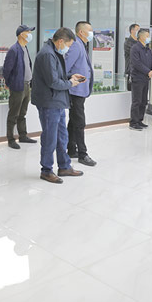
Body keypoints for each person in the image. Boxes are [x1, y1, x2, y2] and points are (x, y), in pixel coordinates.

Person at [32, 27, 85, 184]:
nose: (68, 49)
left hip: (57, 101)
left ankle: (64, 166)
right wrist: (70, 83)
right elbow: (53, 81)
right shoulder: (47, 54)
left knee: (62, 136)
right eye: (68, 45)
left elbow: (56, 74)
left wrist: (70, 76)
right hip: (49, 102)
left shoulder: (54, 52)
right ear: (61, 41)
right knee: (50, 137)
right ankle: (46, 170)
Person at [65, 21, 96, 166]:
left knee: (73, 121)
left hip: (80, 90)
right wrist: (72, 78)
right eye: (89, 30)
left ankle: (71, 149)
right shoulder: (76, 45)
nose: (91, 33)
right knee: (79, 122)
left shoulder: (82, 45)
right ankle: (83, 154)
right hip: (75, 91)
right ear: (81, 32)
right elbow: (65, 67)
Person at [3, 24, 37, 149]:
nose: (30, 35)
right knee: (14, 114)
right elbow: (7, 69)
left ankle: (23, 136)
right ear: (22, 34)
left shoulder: (24, 48)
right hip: (18, 85)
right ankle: (11, 139)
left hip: (27, 85)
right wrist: (9, 83)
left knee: (23, 113)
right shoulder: (14, 50)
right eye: (28, 32)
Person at [129, 28, 152, 131]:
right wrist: (148, 71)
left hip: (146, 78)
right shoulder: (135, 48)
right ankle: (133, 122)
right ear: (141, 36)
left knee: (144, 101)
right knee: (137, 101)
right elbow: (136, 63)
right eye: (147, 36)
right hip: (137, 78)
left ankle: (140, 120)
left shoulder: (147, 49)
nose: (148, 38)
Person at [124, 23, 140, 91]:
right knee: (132, 91)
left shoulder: (140, 42)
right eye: (137, 30)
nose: (139, 32)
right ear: (132, 31)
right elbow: (136, 54)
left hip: (140, 71)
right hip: (131, 71)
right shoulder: (128, 42)